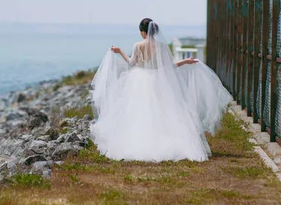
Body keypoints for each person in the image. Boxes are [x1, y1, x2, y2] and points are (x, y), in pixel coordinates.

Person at [89, 18, 232, 162]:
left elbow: (132, 63)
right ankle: (164, 141)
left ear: (143, 32)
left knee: (139, 112)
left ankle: (140, 142)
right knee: (162, 111)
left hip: (139, 81)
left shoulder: (137, 45)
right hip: (158, 81)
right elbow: (169, 66)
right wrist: (186, 61)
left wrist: (120, 51)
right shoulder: (162, 46)